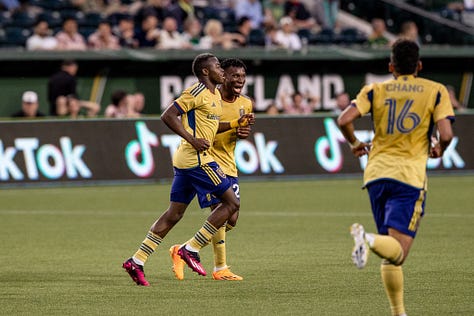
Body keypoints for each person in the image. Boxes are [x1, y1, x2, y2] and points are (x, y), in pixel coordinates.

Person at [337, 39, 454, 316]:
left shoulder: (375, 90)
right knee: (398, 250)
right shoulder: (435, 90)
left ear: (391, 66)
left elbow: (344, 119)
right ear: (419, 65)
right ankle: (365, 238)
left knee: (390, 251)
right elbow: (446, 134)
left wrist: (354, 143)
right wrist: (440, 147)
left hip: (376, 174)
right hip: (409, 176)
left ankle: (398, 312)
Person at [122, 53, 254, 286]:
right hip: (198, 160)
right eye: (217, 67)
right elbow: (168, 115)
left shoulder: (213, 96)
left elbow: (212, 127)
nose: (221, 71)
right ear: (206, 71)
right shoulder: (197, 91)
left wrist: (235, 125)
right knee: (231, 204)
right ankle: (190, 249)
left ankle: (137, 260)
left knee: (174, 214)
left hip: (188, 161)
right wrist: (191, 139)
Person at [169, 58, 254, 281]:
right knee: (222, 208)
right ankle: (220, 268)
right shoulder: (209, 98)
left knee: (231, 219)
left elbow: (235, 132)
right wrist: (234, 126)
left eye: (243, 77)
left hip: (229, 163)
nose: (240, 80)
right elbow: (207, 129)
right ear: (223, 75)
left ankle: (184, 248)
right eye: (235, 76)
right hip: (207, 161)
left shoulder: (246, 103)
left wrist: (241, 132)